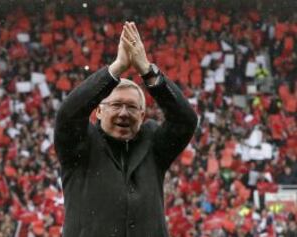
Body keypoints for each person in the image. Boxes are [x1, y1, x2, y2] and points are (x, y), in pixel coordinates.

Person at [54, 21, 198, 237]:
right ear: (99, 112)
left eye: (132, 107)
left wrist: (148, 72)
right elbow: (67, 115)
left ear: (142, 115)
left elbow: (185, 120)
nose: (123, 113)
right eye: (116, 105)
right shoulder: (81, 144)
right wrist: (117, 68)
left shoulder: (153, 146)